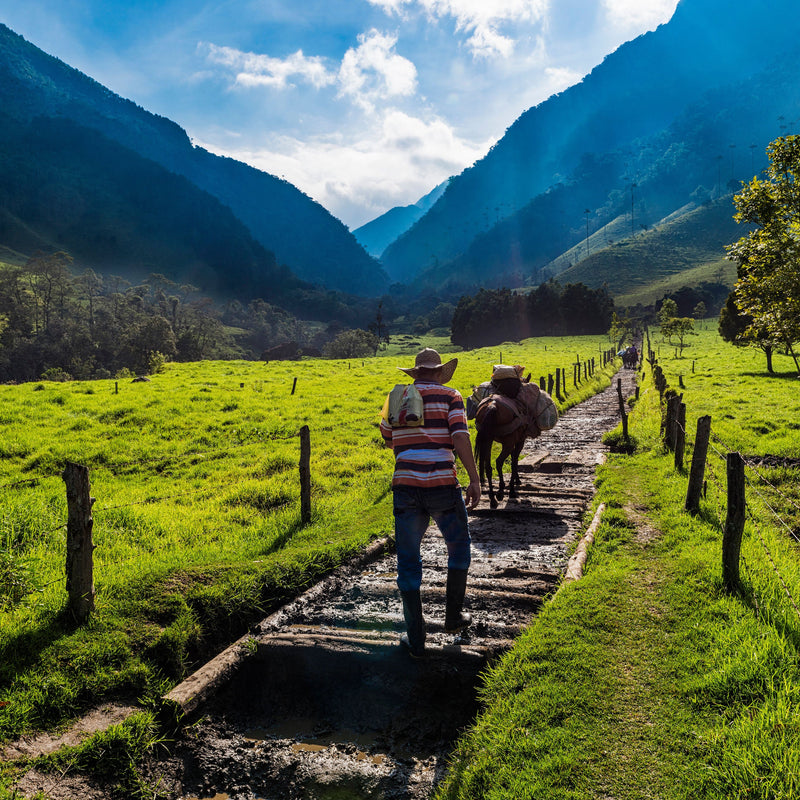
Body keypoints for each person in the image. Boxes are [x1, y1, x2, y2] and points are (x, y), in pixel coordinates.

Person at [380, 348, 481, 658]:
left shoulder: (396, 397)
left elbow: (387, 438)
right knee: (458, 546)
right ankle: (452, 619)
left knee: (408, 559)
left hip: (405, 486)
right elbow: (461, 437)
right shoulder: (452, 395)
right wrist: (474, 479)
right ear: (439, 372)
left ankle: (416, 639)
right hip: (442, 485)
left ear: (415, 372)